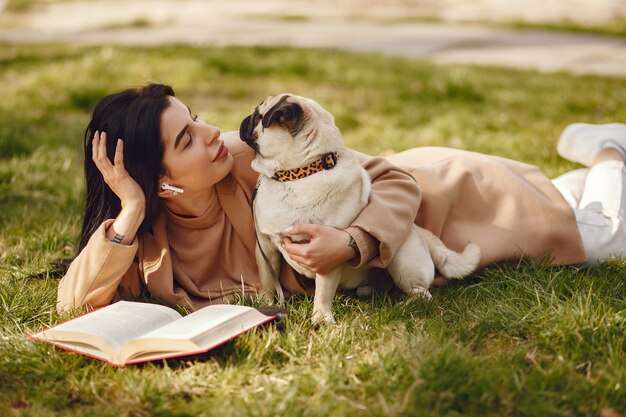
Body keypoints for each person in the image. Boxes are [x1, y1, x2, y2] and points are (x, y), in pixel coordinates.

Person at [57, 84, 625, 314]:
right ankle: (581, 168)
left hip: (436, 204)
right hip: (410, 228)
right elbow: (73, 305)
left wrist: (352, 242)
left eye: (196, 119)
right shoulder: (142, 241)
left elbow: (396, 181)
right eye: (186, 138)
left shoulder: (242, 156)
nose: (211, 134)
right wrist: (129, 210)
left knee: (598, 240)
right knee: (562, 204)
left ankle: (607, 152)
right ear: (162, 183)